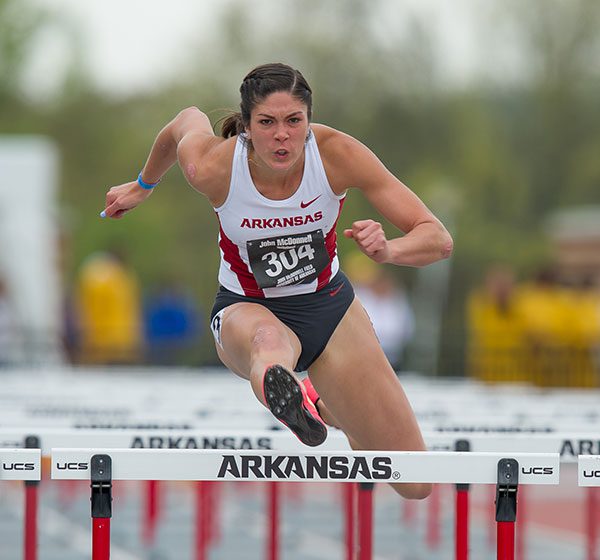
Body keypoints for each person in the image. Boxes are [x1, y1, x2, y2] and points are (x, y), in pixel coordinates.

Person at [101, 63, 453, 499]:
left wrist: (390, 250)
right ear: (246, 127)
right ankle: (284, 384)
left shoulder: (337, 154)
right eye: (267, 123)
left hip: (329, 308)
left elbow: (437, 239)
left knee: (415, 483)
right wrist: (143, 184)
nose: (282, 136)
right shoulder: (214, 166)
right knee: (270, 345)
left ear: (309, 120)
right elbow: (184, 121)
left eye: (294, 121)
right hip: (246, 309)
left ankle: (322, 405)